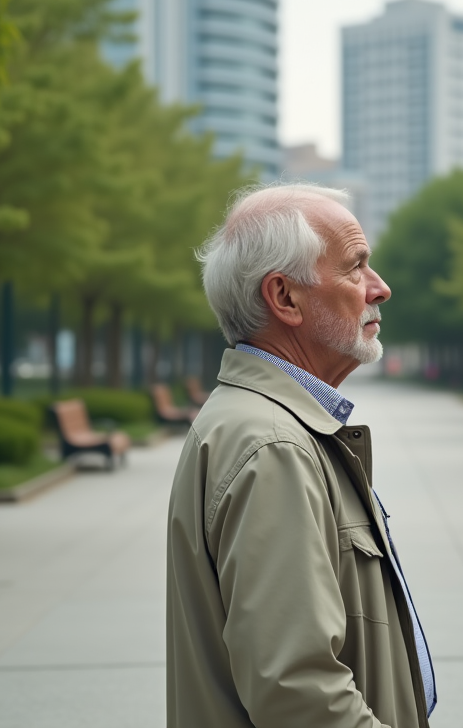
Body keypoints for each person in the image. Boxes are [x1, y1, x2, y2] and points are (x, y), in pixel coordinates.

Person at [166, 184, 436, 727]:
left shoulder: (266, 428)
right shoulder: (274, 447)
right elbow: (299, 693)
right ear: (284, 297)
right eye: (355, 267)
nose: (380, 288)